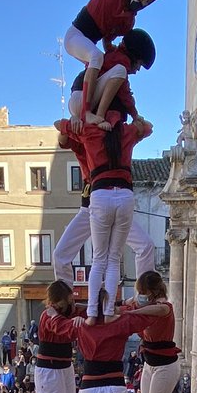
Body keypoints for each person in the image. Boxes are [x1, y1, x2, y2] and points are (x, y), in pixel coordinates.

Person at [55, 112, 153, 319]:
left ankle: (143, 297)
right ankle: (65, 301)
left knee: (143, 246)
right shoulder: (89, 135)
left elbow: (61, 129)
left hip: (105, 198)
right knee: (61, 255)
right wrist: (78, 121)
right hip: (92, 204)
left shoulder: (104, 135)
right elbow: (62, 139)